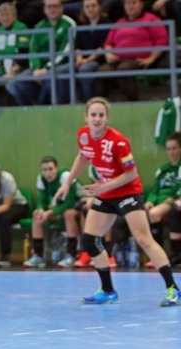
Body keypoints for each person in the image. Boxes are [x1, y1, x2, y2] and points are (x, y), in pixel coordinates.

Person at [54, 97, 179, 306]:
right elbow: (83, 156)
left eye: (101, 115)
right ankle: (108, 290)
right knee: (90, 241)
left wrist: (103, 187)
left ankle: (173, 289)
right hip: (107, 193)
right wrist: (67, 182)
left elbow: (131, 174)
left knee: (143, 239)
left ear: (107, 117)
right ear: (86, 117)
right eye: (93, 115)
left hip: (128, 192)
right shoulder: (83, 135)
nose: (97, 119)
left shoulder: (118, 141)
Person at [94, 0, 168, 102]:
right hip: (118, 59)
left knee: (124, 69)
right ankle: (100, 104)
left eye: (134, 2)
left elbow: (161, 40)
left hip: (139, 59)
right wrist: (108, 54)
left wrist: (151, 58)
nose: (130, 6)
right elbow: (108, 42)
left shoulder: (151, 19)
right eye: (127, 3)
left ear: (141, 4)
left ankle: (133, 102)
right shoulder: (119, 22)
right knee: (101, 72)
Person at [5, 0, 76, 106]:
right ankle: (29, 109)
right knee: (16, 82)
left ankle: (41, 106)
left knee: (49, 77)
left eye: (55, 6)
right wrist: (36, 68)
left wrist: (47, 68)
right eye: (49, 7)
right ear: (44, 9)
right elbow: (33, 49)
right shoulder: (39, 26)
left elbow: (66, 50)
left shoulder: (69, 23)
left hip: (62, 64)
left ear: (61, 8)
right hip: (39, 66)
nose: (52, 9)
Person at [23, 156, 82, 268]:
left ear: (57, 168)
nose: (48, 173)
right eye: (45, 170)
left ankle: (71, 255)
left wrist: (50, 213)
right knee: (36, 215)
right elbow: (42, 201)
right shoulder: (41, 179)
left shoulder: (65, 176)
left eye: (50, 169)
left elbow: (70, 203)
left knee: (68, 214)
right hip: (60, 209)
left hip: (79, 207)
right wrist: (41, 210)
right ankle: (38, 256)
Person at [144, 132, 181, 268]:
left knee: (154, 213)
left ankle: (158, 257)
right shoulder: (163, 170)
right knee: (146, 211)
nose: (171, 152)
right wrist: (150, 201)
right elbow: (155, 190)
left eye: (174, 148)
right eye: (168, 149)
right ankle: (158, 256)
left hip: (171, 202)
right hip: (160, 202)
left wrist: (176, 199)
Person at [73, 0, 110, 102]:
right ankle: (65, 102)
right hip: (82, 60)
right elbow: (78, 46)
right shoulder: (82, 25)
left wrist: (87, 60)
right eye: (87, 6)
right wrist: (79, 59)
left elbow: (103, 47)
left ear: (99, 7)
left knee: (85, 69)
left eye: (93, 6)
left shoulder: (106, 23)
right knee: (63, 70)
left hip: (99, 59)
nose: (90, 9)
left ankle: (90, 101)